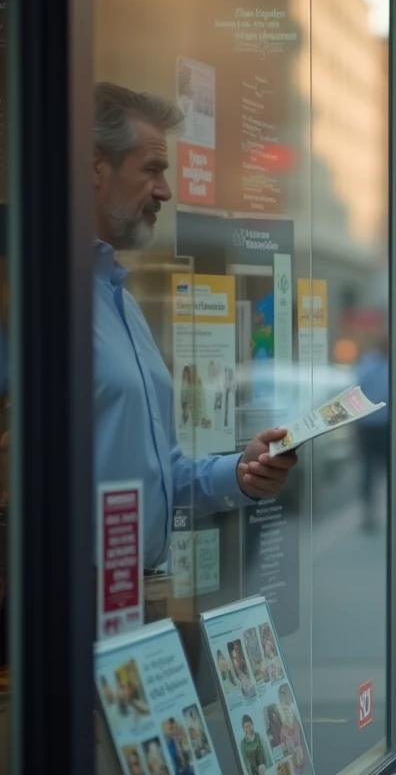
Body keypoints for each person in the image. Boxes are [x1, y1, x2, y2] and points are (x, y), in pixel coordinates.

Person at [91, 82, 298, 571]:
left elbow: (162, 474)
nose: (165, 190)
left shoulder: (122, 304)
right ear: (95, 167)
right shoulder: (40, 303)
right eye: (152, 169)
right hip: (67, 607)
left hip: (131, 603)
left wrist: (242, 474)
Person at [354, 334, 390, 532]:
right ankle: (368, 512)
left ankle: (386, 509)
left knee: (384, 470)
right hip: (372, 426)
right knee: (369, 470)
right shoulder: (369, 364)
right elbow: (357, 393)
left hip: (385, 425)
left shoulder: (388, 363)